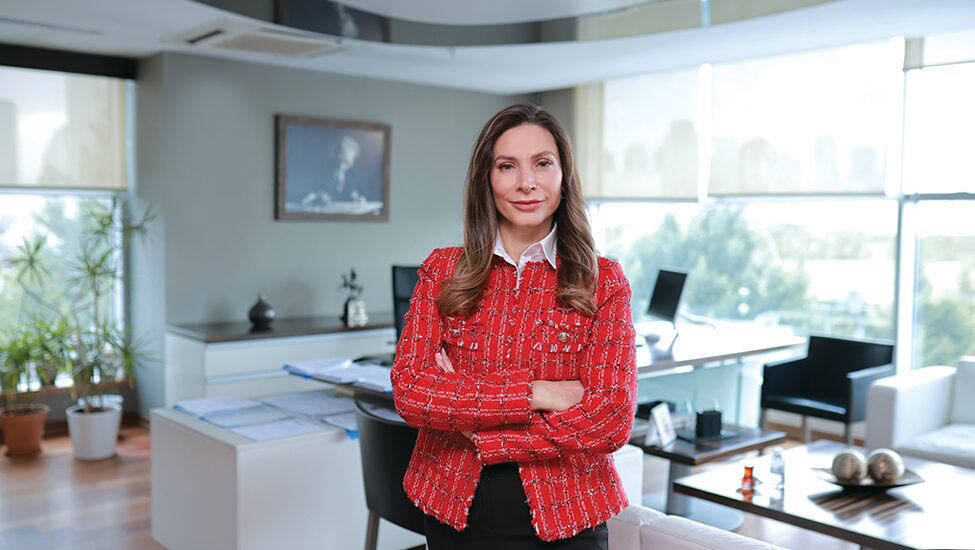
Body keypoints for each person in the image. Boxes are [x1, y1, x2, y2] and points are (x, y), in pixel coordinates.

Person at [391, 103, 638, 549]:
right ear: (487, 179)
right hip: (452, 508)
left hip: (569, 515)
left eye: (542, 163)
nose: (527, 182)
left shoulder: (603, 281)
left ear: (564, 176)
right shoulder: (443, 270)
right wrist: (541, 393)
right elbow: (411, 392)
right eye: (507, 166)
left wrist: (477, 426)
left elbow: (610, 419)